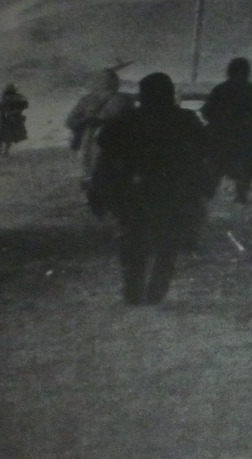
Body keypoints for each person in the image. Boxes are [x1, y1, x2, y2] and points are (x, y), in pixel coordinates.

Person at [87, 72, 216, 306]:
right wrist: (205, 184)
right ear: (169, 95)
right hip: (174, 192)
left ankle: (133, 288)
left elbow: (105, 161)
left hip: (134, 191)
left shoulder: (124, 123)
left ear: (141, 97)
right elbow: (202, 155)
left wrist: (97, 191)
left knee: (133, 241)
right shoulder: (186, 120)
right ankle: (157, 287)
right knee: (169, 242)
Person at [201, 57, 252, 204]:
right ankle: (241, 196)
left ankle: (207, 196)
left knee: (216, 168)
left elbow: (207, 113)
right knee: (246, 170)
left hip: (221, 137)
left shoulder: (220, 90)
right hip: (247, 137)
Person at [66, 69, 136, 188]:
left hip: (87, 140)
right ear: (115, 82)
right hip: (116, 139)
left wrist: (85, 121)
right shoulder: (124, 98)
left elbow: (70, 121)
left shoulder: (86, 99)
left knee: (90, 169)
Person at [0, 84, 29, 156]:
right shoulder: (16, 97)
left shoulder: (7, 98)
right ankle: (4, 150)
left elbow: (24, 105)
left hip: (7, 119)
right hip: (6, 118)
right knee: (6, 135)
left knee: (2, 135)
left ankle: (2, 150)